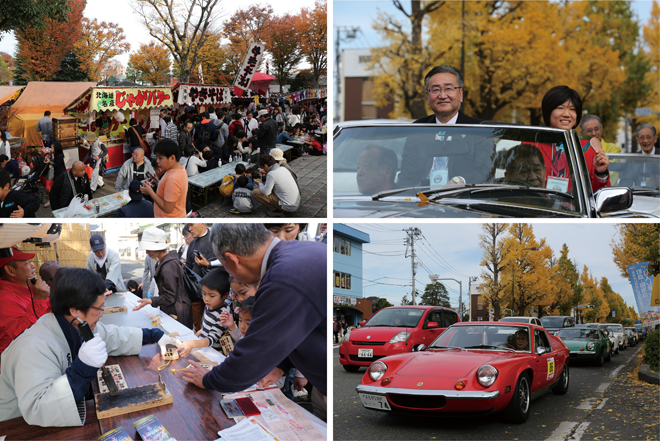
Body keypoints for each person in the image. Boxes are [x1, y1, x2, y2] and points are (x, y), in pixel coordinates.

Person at [181, 224, 326, 421]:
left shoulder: (280, 279)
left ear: (232, 260)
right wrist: (282, 364)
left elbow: (253, 355)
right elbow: (297, 327)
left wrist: (208, 380)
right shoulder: (302, 251)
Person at [0, 267, 165, 426]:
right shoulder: (33, 347)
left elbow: (113, 336)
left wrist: (156, 335)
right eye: (100, 308)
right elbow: (40, 408)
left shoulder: (75, 324)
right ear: (75, 311)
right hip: (16, 425)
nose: (101, 314)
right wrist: (82, 369)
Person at [399, 66, 490, 187]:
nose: (442, 95)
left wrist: (460, 181)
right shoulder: (418, 130)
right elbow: (407, 175)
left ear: (460, 94)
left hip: (463, 199)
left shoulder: (479, 130)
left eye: (448, 89)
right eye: (435, 90)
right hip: (421, 199)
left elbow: (485, 171)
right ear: (427, 96)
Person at [541, 85, 610, 192]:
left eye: (572, 109)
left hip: (576, 208)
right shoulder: (533, 143)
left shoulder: (588, 147)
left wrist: (601, 173)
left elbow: (597, 195)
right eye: (560, 108)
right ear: (548, 111)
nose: (567, 114)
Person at [134, 227, 192, 329]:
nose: (147, 252)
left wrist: (150, 301)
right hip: (178, 308)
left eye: (148, 248)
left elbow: (169, 296)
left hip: (176, 311)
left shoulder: (167, 267)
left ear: (158, 247)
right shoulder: (169, 261)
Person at [0, 247, 51, 353]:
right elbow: (21, 335)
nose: (33, 266)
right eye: (26, 263)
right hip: (18, 361)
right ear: (10, 270)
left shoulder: (28, 289)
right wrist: (39, 300)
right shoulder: (4, 299)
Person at [177, 268, 232, 356]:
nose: (206, 298)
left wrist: (192, 344)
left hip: (214, 354)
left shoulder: (223, 314)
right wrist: (202, 331)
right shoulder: (210, 304)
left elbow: (211, 339)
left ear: (225, 295)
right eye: (204, 293)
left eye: (212, 295)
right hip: (204, 348)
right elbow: (209, 324)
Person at [140, 139, 188, 218]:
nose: (157, 161)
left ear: (172, 158)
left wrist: (150, 192)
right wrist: (159, 183)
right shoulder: (179, 169)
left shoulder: (173, 179)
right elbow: (172, 190)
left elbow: (168, 208)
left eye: (160, 158)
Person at [186, 223, 220, 331]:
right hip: (195, 292)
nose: (190, 229)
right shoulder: (192, 244)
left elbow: (226, 261)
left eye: (191, 225)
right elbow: (188, 266)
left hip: (214, 291)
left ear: (202, 223)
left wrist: (209, 264)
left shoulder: (216, 239)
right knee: (196, 325)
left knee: (213, 324)